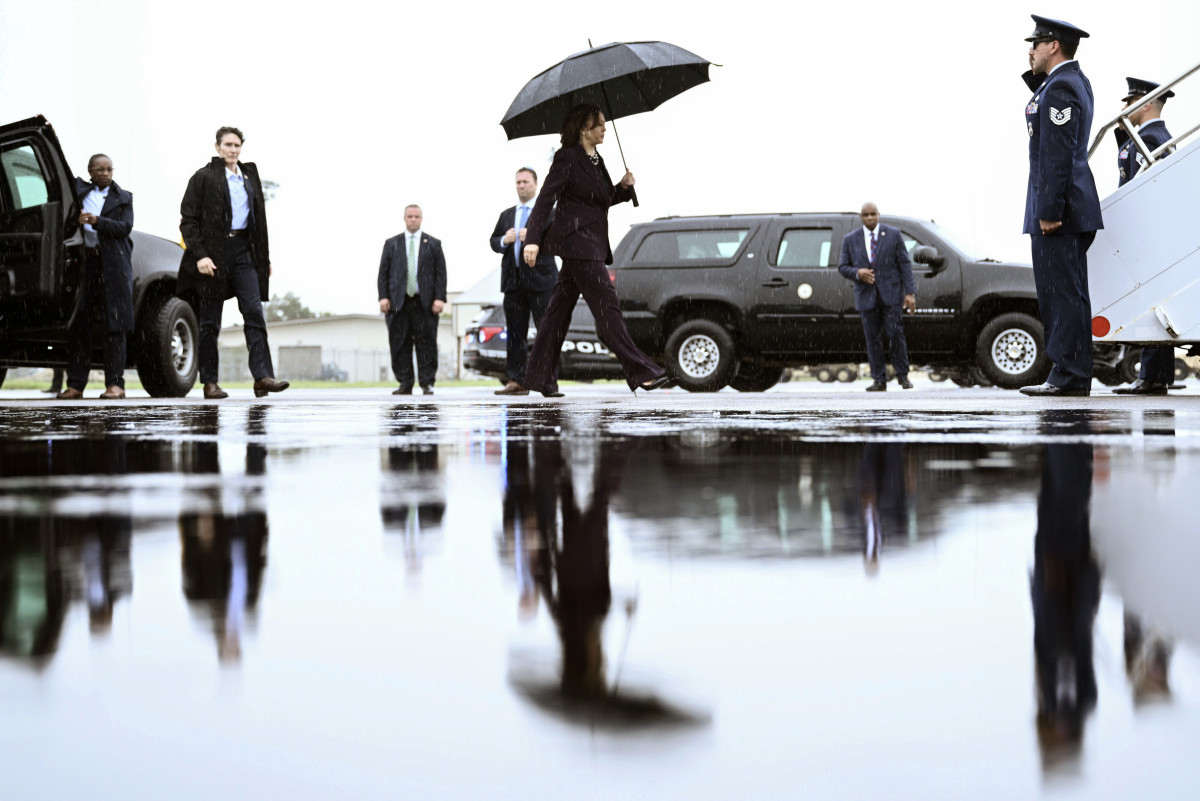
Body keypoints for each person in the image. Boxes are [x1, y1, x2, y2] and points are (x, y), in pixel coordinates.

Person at [518, 104, 671, 397]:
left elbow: (600, 199)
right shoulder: (567, 159)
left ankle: (539, 378)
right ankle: (640, 371)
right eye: (599, 124)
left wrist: (622, 189)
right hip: (578, 244)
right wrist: (533, 239)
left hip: (591, 244)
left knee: (556, 316)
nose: (604, 128)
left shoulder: (596, 159)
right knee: (608, 308)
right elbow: (545, 199)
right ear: (583, 129)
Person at [1018, 16, 1104, 398]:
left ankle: (1068, 375)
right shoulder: (1071, 82)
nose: (1029, 51)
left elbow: (1057, 154)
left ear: (1053, 45)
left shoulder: (1062, 86)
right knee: (1070, 293)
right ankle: (1073, 371)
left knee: (1060, 294)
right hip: (1070, 207)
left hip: (1060, 211)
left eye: (1035, 44)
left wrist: (1049, 210)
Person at [177, 126, 289, 400]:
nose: (233, 150)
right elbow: (188, 221)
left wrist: (263, 259)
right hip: (213, 252)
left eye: (237, 145)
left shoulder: (249, 177)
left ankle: (262, 377)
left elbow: (258, 221)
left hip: (244, 252)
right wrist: (201, 255)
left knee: (253, 313)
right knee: (210, 322)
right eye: (228, 145)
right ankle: (210, 383)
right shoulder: (203, 177)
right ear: (217, 147)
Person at [1112, 78, 1176, 396]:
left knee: (1152, 304)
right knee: (1153, 303)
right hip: (1150, 232)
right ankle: (1155, 374)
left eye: (1131, 102)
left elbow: (1139, 188)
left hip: (1147, 233)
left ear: (1146, 103)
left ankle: (1153, 375)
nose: (1126, 109)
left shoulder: (1151, 138)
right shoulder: (1151, 136)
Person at [58, 154, 134, 400]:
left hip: (114, 265)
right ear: (90, 171)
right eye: (99, 169)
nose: (105, 172)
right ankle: (76, 384)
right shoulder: (77, 191)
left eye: (109, 168)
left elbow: (124, 228)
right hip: (84, 264)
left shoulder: (124, 198)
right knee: (80, 322)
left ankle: (115, 384)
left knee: (116, 324)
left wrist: (97, 221)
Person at [490, 168, 560, 396]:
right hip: (513, 283)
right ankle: (517, 381)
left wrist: (533, 236)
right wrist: (504, 239)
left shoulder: (548, 212)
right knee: (515, 334)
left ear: (535, 184)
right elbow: (493, 241)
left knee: (546, 332)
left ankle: (548, 383)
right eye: (518, 182)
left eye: (525, 182)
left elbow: (558, 241)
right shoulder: (506, 215)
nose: (521, 186)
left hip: (541, 281)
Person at [837, 202, 916, 391]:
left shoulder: (893, 235)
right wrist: (858, 272)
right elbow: (842, 266)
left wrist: (910, 293)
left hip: (891, 295)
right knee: (872, 339)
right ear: (861, 217)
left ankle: (903, 376)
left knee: (895, 334)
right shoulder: (850, 239)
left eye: (873, 214)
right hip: (866, 297)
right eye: (866, 215)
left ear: (879, 215)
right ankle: (879, 379)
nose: (870, 218)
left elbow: (905, 264)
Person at [377, 205, 447, 395]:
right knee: (399, 344)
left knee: (427, 344)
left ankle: (427, 383)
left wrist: (440, 298)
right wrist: (383, 297)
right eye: (410, 216)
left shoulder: (433, 244)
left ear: (421, 218)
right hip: (398, 303)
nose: (413, 219)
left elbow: (440, 274)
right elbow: (383, 273)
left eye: (416, 216)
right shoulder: (392, 243)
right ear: (404, 218)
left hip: (425, 303)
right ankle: (405, 382)